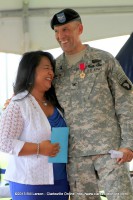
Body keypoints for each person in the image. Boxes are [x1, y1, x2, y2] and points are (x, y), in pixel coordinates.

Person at [50, 8, 133, 200]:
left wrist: (128, 144)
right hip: (75, 155)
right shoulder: (54, 68)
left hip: (110, 151)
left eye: (66, 29)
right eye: (56, 31)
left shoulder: (104, 60)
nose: (61, 36)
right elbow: (41, 99)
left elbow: (126, 102)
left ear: (79, 29)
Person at [0, 51, 70, 200]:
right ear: (30, 71)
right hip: (29, 182)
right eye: (46, 68)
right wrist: (39, 148)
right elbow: (4, 142)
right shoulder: (18, 103)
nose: (51, 72)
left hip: (60, 180)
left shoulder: (57, 103)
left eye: (52, 69)